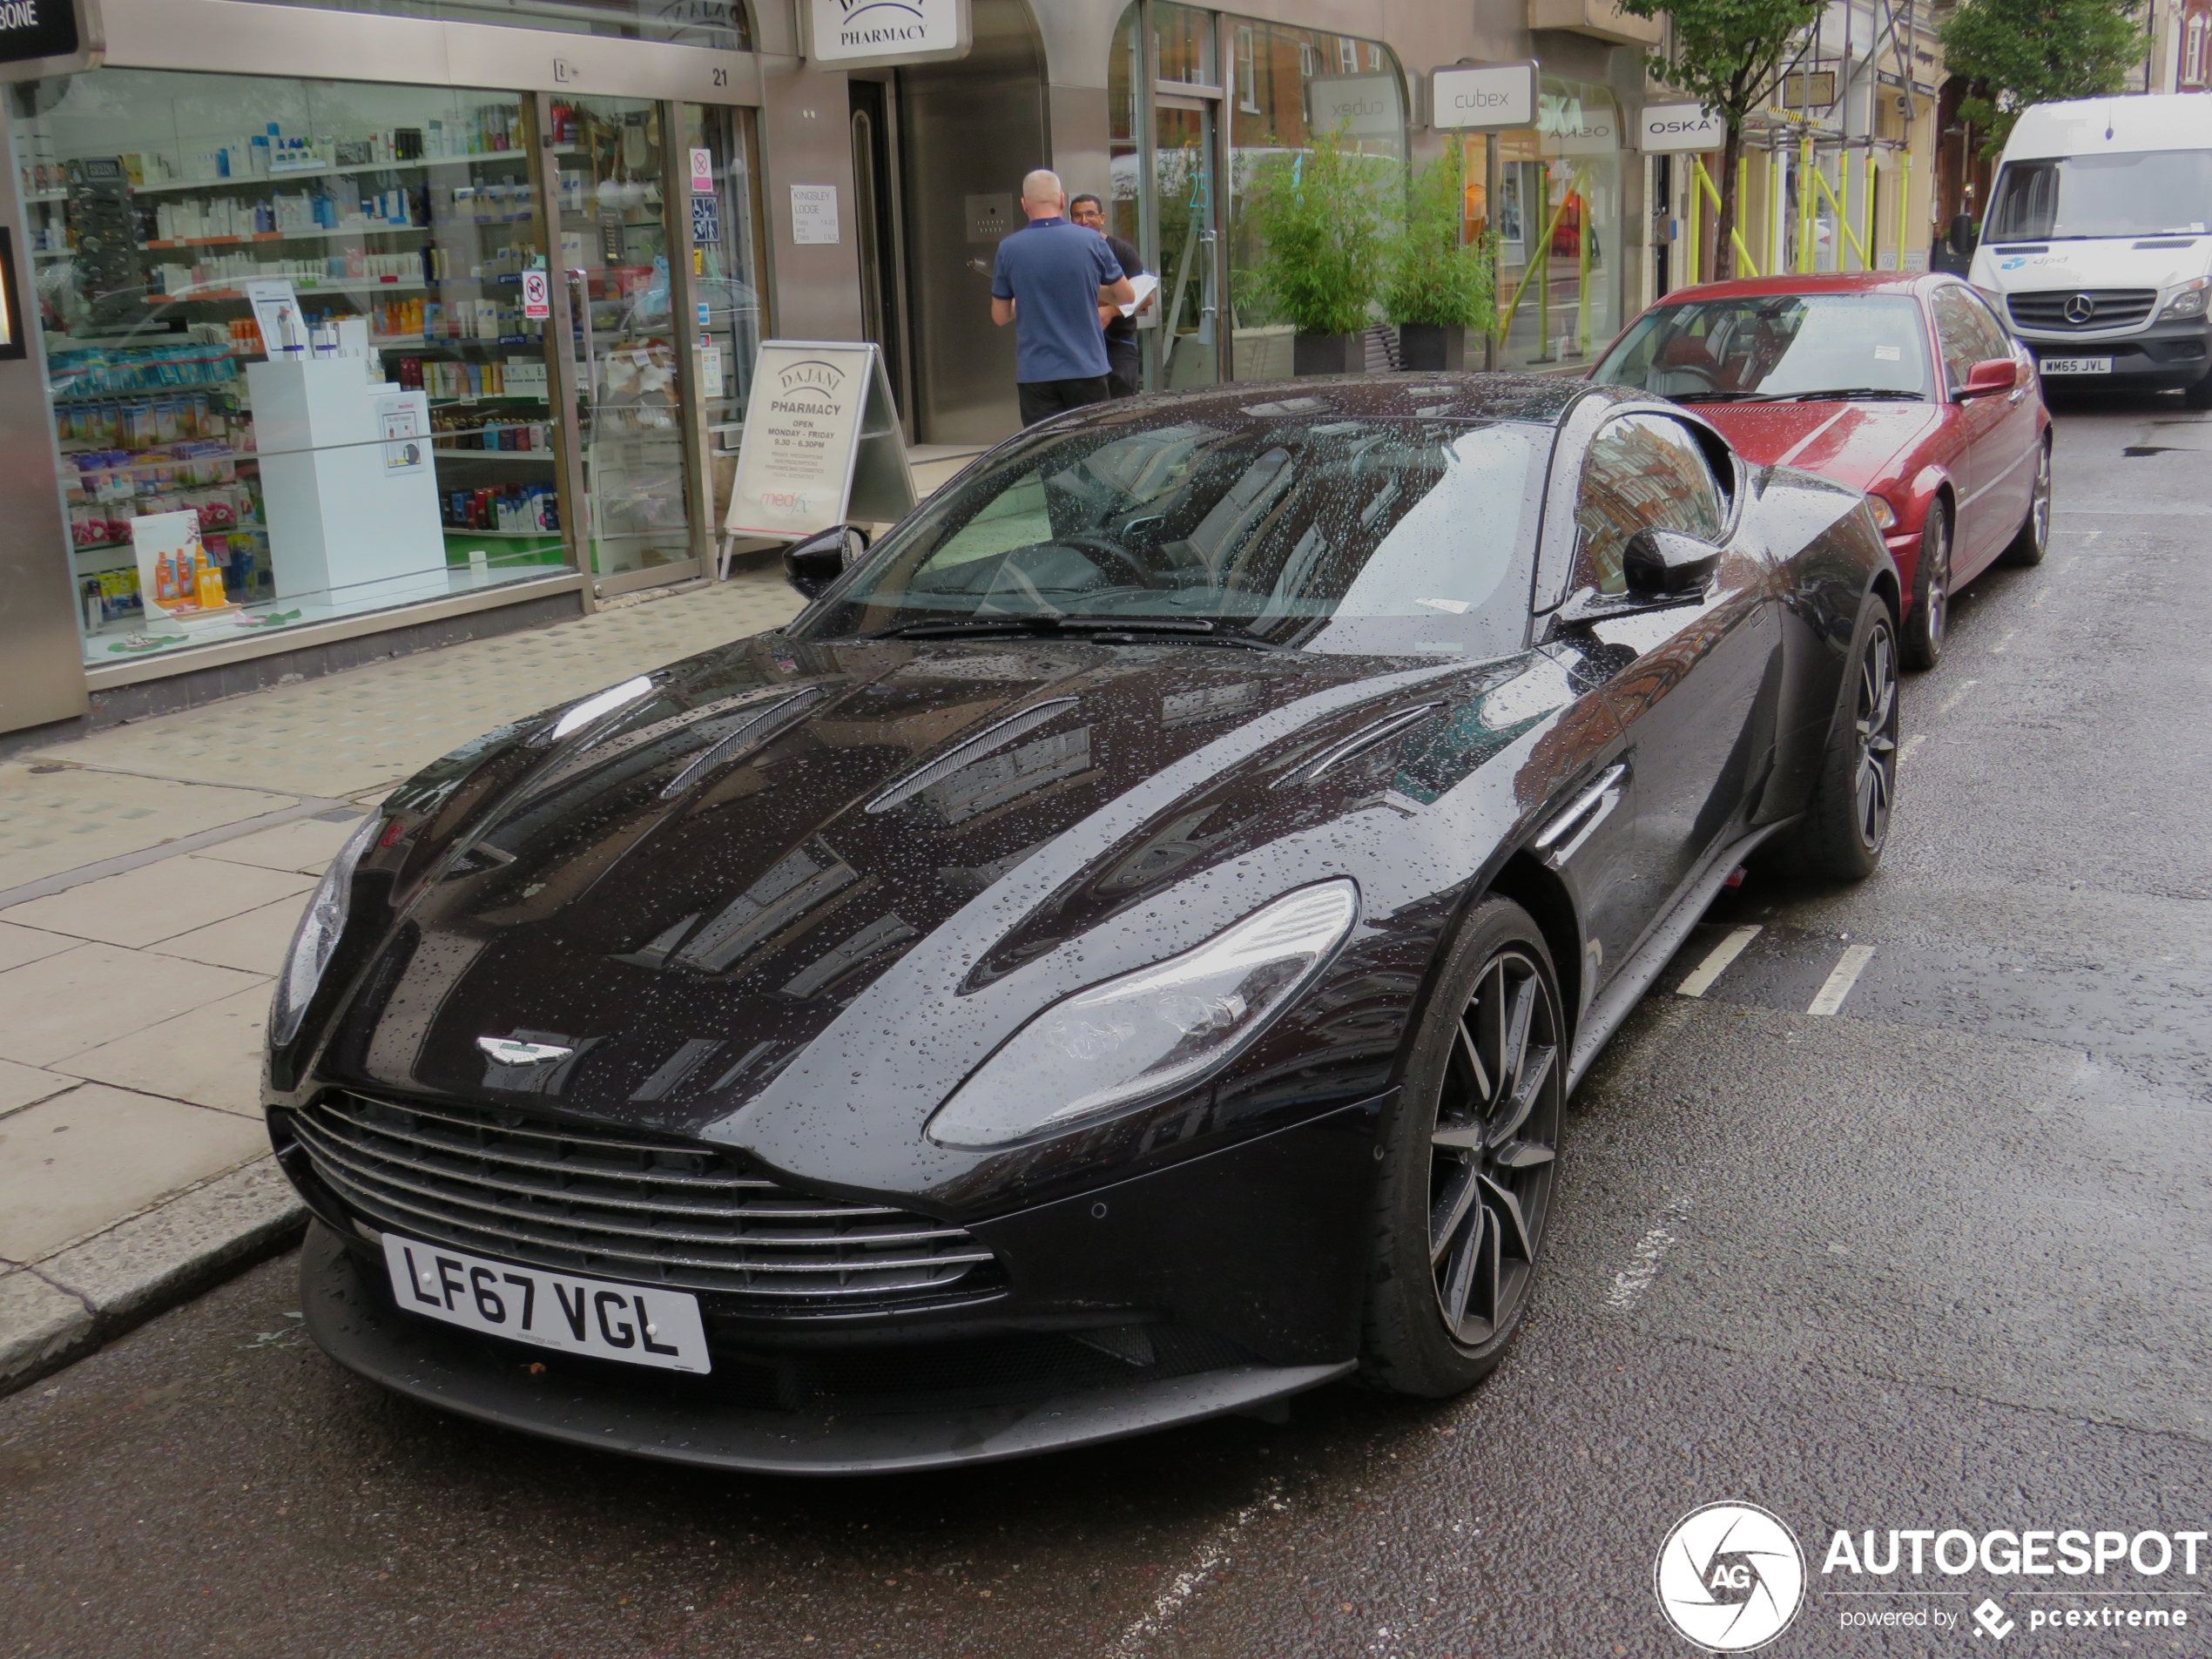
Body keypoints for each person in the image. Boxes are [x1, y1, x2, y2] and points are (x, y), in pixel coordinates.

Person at [990, 169, 1135, 427]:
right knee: (1093, 450)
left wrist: (1023, 298)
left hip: (1035, 374)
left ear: (1024, 204)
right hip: (1087, 368)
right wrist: (1091, 288)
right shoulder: (1091, 240)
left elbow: (1000, 316)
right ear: (1062, 200)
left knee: (1046, 455)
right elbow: (1126, 295)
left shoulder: (1009, 248)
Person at [1069, 192, 1147, 398]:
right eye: (1077, 215)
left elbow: (1145, 297)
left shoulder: (1121, 251)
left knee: (1122, 408)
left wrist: (1111, 311)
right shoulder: (1066, 253)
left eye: (1090, 214)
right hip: (1079, 347)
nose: (1084, 221)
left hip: (1119, 344)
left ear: (1102, 218)